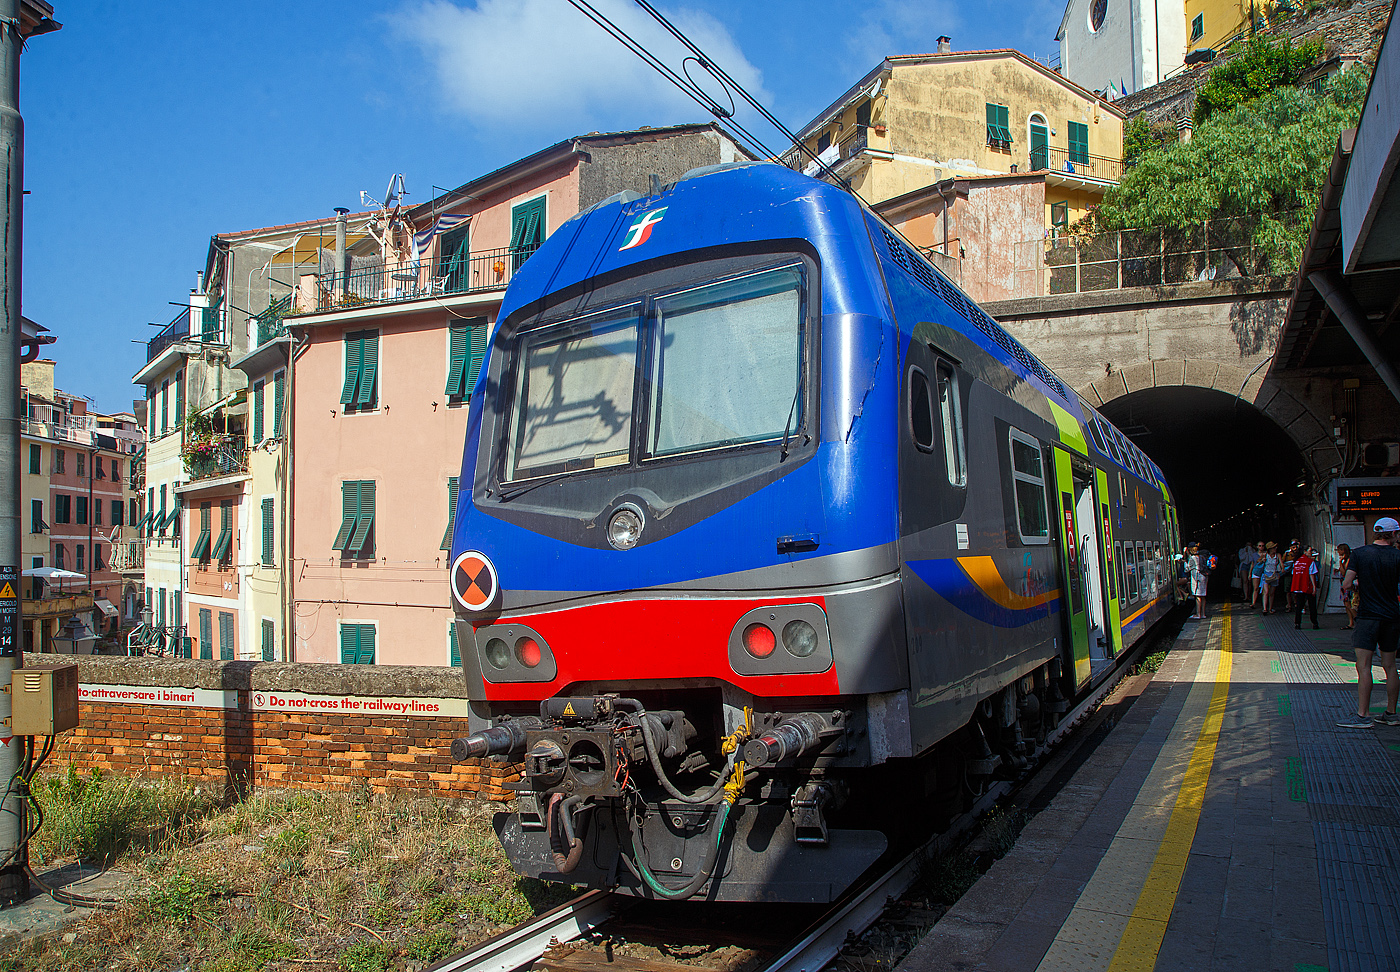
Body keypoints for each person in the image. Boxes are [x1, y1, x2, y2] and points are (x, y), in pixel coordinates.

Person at [1337, 517, 1400, 728]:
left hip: (1367, 616)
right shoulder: (1398, 555)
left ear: (1375, 533)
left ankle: (1363, 715)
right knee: (1390, 666)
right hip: (1391, 616)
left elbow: (1346, 584)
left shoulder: (1360, 554)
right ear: (1393, 534)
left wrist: (1357, 582)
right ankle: (1391, 713)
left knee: (1363, 666)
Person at [1291, 545, 1319, 630]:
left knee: (1299, 606)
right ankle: (1314, 623)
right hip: (1307, 586)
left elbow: (1294, 574)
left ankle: (1297, 623)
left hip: (1299, 586)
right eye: (1310, 551)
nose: (1311, 552)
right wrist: (1314, 587)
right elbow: (1312, 575)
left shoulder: (1297, 562)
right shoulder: (1310, 562)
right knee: (1312, 606)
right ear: (1305, 552)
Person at [1186, 542, 1209, 620]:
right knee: (1203, 596)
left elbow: (1187, 569)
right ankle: (1203, 614)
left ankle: (1198, 614)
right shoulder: (1202, 556)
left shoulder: (1192, 558)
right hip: (1204, 576)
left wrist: (1183, 561)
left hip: (1196, 578)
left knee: (1198, 596)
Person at [1336, 543, 1357, 630]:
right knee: (1346, 604)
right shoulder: (1345, 560)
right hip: (1343, 583)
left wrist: (1340, 563)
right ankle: (1351, 622)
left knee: (1349, 604)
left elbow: (1345, 572)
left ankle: (1357, 620)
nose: (1338, 552)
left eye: (1339, 550)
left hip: (1347, 584)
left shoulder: (1348, 560)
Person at [1261, 542, 1281, 614]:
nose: (1275, 549)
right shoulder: (1265, 555)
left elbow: (1281, 564)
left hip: (1274, 574)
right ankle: (1265, 608)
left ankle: (1270, 608)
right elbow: (1258, 561)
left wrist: (1282, 570)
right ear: (1270, 549)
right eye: (1274, 548)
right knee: (1266, 592)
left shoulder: (1277, 555)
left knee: (1272, 593)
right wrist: (1262, 560)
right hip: (1266, 574)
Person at [1250, 542, 1267, 609]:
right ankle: (1253, 602)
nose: (1261, 547)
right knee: (1256, 588)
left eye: (1262, 546)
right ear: (1257, 547)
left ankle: (1264, 604)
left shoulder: (1266, 554)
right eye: (1260, 546)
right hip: (1256, 571)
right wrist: (1250, 573)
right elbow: (1252, 564)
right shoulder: (1254, 554)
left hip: (1264, 572)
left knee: (1265, 589)